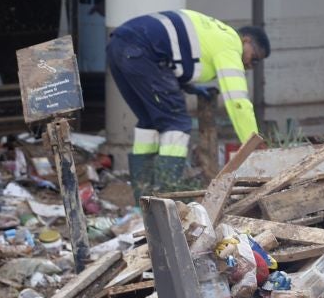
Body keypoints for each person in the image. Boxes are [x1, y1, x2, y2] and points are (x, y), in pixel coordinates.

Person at [109, 10, 267, 196]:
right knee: (176, 122)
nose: (250, 65)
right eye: (254, 58)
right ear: (246, 41)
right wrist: (253, 144)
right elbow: (238, 102)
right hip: (142, 50)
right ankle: (167, 195)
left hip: (118, 45)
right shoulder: (230, 43)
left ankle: (142, 199)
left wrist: (187, 86)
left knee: (148, 122)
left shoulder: (214, 32)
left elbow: (175, 56)